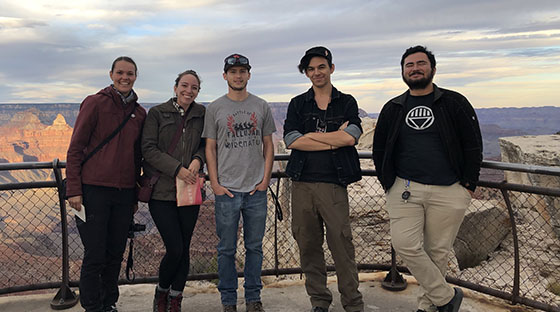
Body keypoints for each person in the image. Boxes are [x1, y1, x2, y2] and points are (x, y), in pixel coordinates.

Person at [372, 45, 483, 312]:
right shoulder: (394, 107)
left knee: (437, 252)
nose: (415, 69)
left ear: (433, 68)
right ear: (402, 71)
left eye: (421, 63)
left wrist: (468, 185)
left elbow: (472, 144)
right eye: (409, 65)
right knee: (405, 245)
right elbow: (379, 148)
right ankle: (446, 297)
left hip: (448, 191)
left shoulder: (454, 102)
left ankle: (427, 306)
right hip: (405, 189)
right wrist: (389, 183)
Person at [283, 46, 364, 312]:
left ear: (331, 68)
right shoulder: (298, 104)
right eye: (311, 69)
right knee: (308, 247)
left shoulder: (347, 102)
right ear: (306, 73)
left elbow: (351, 136)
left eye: (321, 66)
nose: (316, 72)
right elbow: (292, 141)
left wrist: (311, 137)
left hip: (334, 184)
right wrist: (333, 142)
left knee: (342, 245)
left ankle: (352, 303)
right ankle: (319, 301)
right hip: (302, 183)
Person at [66, 56, 146, 312]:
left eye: (130, 73)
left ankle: (108, 303)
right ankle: (91, 306)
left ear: (136, 76)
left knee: (115, 253)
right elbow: (75, 149)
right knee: (95, 254)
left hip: (123, 194)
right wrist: (74, 190)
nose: (125, 77)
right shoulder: (95, 103)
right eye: (120, 72)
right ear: (111, 74)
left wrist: (134, 196)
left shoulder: (139, 112)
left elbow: (137, 158)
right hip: (93, 191)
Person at [202, 53, 276, 312]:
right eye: (233, 71)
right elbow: (210, 148)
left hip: (256, 188)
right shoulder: (215, 108)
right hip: (227, 191)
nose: (238, 75)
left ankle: (253, 298)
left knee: (254, 248)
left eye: (242, 71)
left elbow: (269, 144)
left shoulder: (262, 105)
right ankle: (229, 301)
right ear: (225, 76)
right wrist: (215, 183)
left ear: (248, 75)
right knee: (226, 249)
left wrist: (265, 179)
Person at [141, 70, 206, 312]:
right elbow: (148, 148)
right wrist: (177, 169)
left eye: (194, 87)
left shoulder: (202, 114)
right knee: (175, 248)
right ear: (175, 87)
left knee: (185, 247)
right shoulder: (157, 113)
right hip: (162, 191)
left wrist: (198, 159)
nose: (189, 91)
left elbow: (205, 142)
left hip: (190, 189)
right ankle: (162, 293)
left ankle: (176, 298)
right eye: (185, 85)